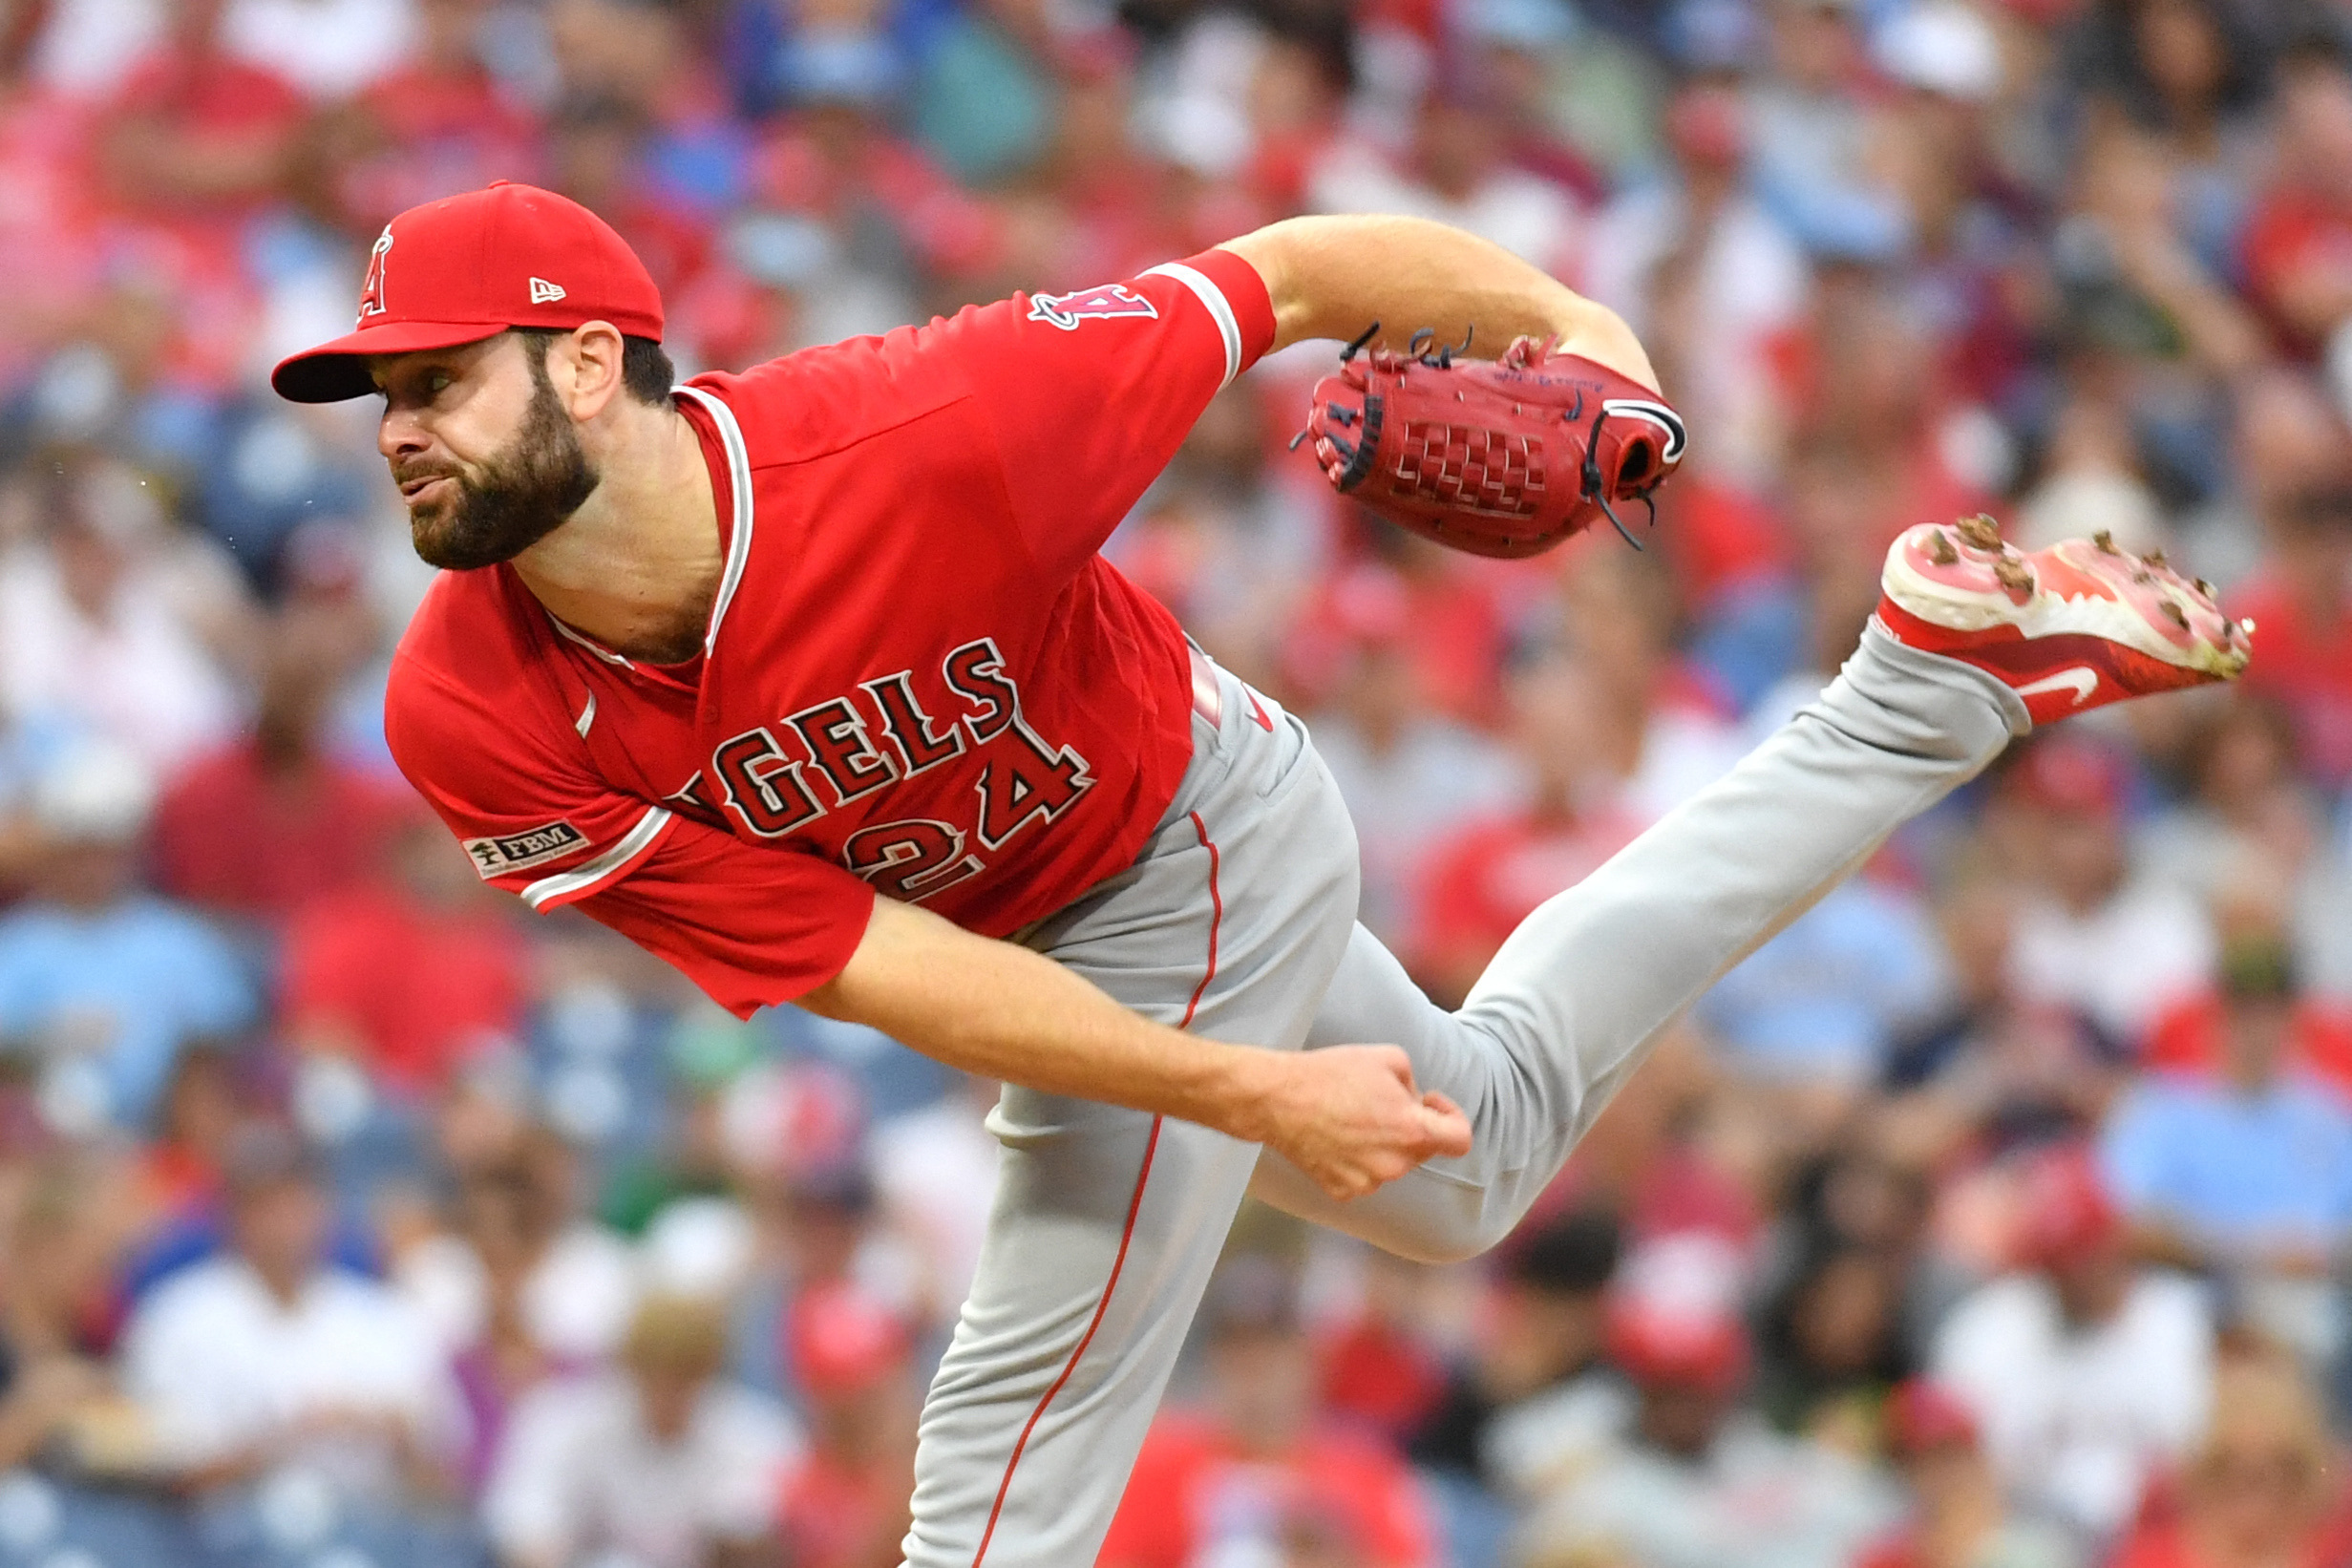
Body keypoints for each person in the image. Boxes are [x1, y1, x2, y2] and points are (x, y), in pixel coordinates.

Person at [268, 179, 2248, 1565]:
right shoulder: (469, 713)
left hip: (1189, 826)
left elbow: (1287, 273)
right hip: (1003, 928)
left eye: (435, 378)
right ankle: (1919, 692)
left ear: (593, 363)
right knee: (1472, 1158)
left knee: (1010, 1428)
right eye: (383, 395)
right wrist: (1244, 1086)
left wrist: (1580, 333)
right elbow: (873, 962)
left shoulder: (937, 427)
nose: (399, 429)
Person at [1929, 1143, 2215, 1545]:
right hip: (2024, 1536)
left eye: (2081, 1256)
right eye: (2055, 1264)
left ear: (2113, 1244)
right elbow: (1951, 1471)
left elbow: (2211, 1464)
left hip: (2160, 1536)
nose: (2070, 1277)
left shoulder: (2182, 1319)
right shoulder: (1987, 1327)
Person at [483, 1291, 800, 1568]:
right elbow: (525, 1522)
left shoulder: (761, 1436)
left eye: (685, 1373)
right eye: (655, 1371)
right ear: (629, 1365)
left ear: (710, 1371)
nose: (668, 1389)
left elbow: (755, 1538)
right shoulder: (562, 1420)